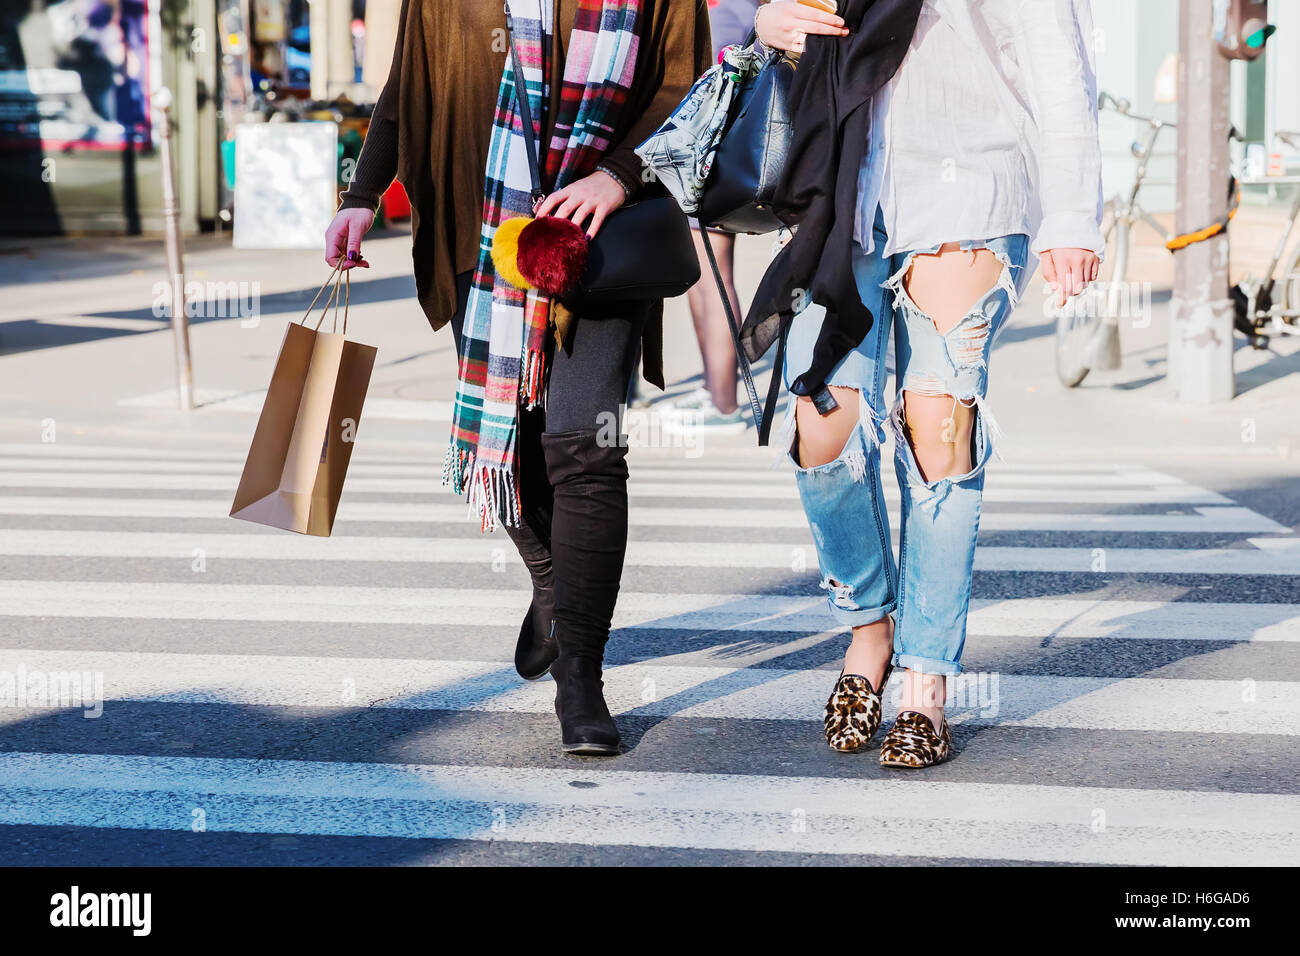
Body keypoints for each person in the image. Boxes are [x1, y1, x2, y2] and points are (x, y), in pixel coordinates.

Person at [325, 0, 711, 756]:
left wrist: (619, 175)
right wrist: (361, 198)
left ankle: (581, 681)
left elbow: (684, 84)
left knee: (584, 442)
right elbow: (408, 90)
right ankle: (552, 586)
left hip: (600, 234)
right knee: (509, 442)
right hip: (483, 234)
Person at [752, 0, 1102, 767]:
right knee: (824, 428)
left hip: (970, 189)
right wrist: (766, 18)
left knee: (938, 431)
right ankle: (869, 633)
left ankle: (925, 684)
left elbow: (1058, 62)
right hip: (838, 194)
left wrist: (1073, 212)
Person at [667, 0, 766, 430]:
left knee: (714, 275)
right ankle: (714, 388)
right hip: (702, 145)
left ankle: (726, 402)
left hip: (720, 148)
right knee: (699, 274)